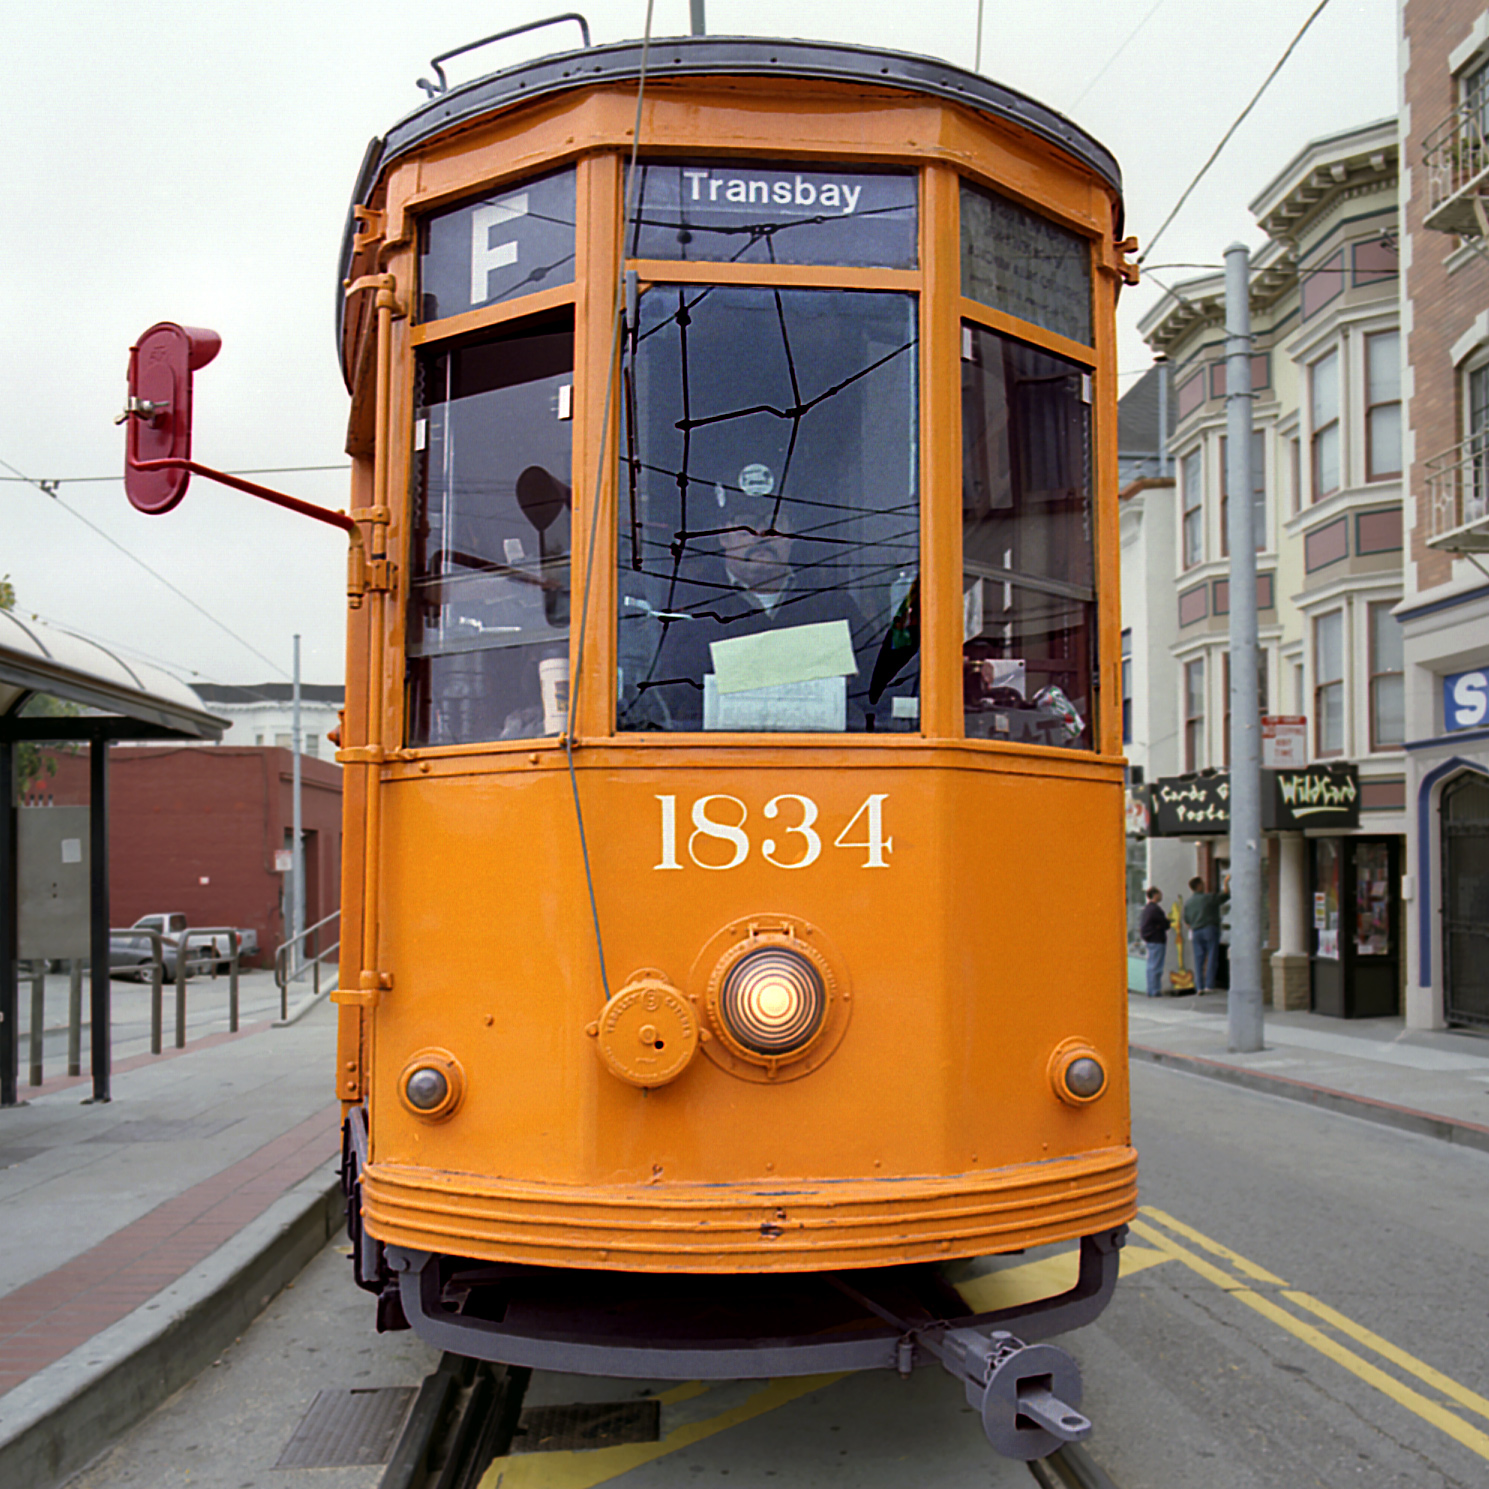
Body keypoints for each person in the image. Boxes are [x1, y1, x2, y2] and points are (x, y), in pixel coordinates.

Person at [621, 479, 869, 729]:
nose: (761, 536)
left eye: (773, 524)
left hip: (822, 759)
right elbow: (668, 697)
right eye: (746, 525)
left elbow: (874, 691)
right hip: (712, 759)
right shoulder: (687, 608)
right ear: (723, 535)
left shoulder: (833, 606)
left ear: (792, 534)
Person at [1182, 874, 1230, 995]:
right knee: (1212, 956)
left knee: (1199, 959)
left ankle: (1199, 986)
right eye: (1202, 884)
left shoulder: (1188, 903)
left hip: (1196, 931)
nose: (1204, 885)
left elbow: (1186, 920)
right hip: (1209, 929)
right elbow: (1225, 896)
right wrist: (1226, 883)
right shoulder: (1208, 898)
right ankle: (1209, 985)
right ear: (1198, 886)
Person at [1138, 887, 1169, 998]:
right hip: (1157, 940)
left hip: (1151, 940)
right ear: (1155, 895)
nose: (1161, 896)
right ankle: (1155, 990)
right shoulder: (1155, 909)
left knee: (1151, 965)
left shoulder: (1147, 909)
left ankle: (1151, 989)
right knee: (1156, 966)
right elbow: (1165, 924)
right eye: (1159, 894)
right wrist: (1166, 922)